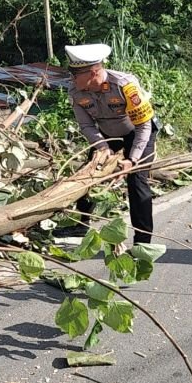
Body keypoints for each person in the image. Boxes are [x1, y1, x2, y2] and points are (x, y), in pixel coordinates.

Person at [64, 43, 158, 244]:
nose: (72, 78)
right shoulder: (75, 91)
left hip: (138, 133)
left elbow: (144, 126)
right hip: (107, 137)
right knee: (87, 175)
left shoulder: (125, 85)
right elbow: (86, 125)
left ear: (93, 72)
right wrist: (102, 148)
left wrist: (131, 160)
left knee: (136, 182)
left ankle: (142, 242)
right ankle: (83, 224)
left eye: (75, 74)